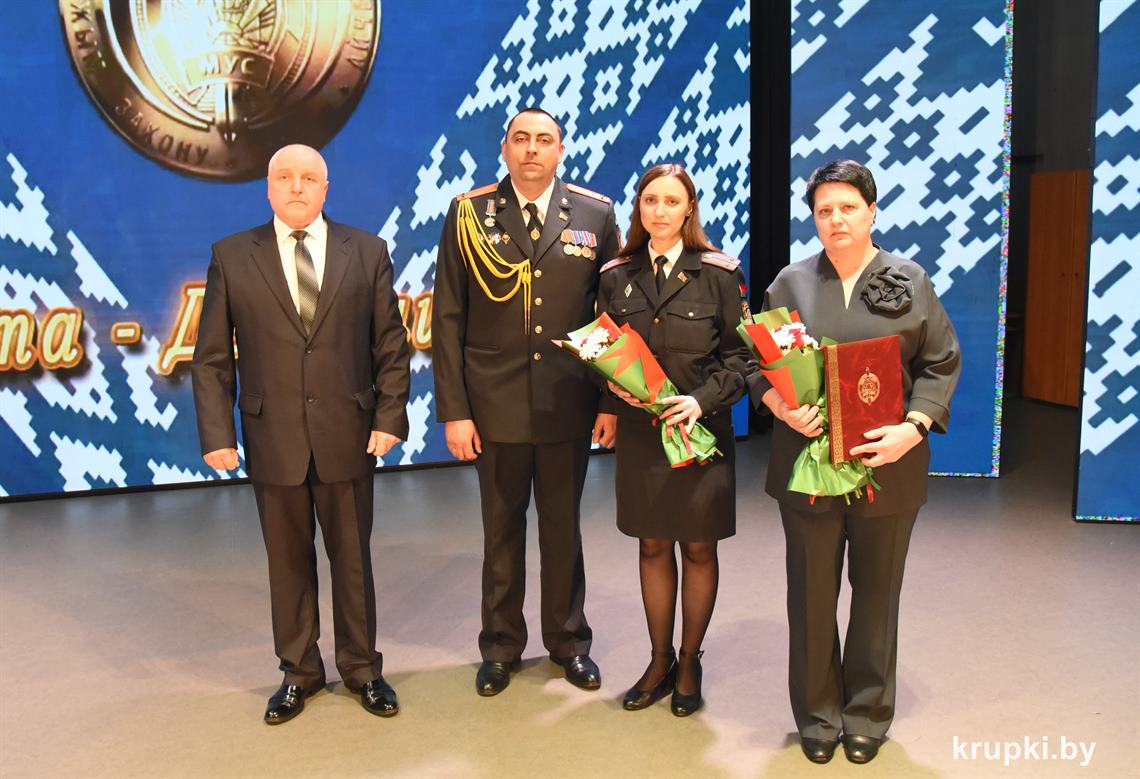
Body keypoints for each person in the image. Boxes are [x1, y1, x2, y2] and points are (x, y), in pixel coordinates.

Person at [191, 144, 411, 724]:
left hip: (349, 434)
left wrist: (390, 417)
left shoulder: (367, 251)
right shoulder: (232, 256)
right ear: (268, 188)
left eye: (308, 178)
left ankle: (362, 669)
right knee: (287, 564)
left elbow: (391, 346)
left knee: (352, 562)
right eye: (284, 177)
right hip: (273, 437)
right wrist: (217, 432)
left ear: (325, 188)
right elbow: (211, 358)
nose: (296, 187)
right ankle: (299, 672)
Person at [751, 160, 960, 764]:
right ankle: (817, 715)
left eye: (848, 207)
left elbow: (941, 362)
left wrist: (912, 429)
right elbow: (757, 364)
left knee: (877, 594)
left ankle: (867, 711)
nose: (836, 219)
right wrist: (780, 407)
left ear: (871, 211)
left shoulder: (910, 280)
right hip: (807, 465)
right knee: (810, 596)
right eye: (824, 210)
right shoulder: (789, 284)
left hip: (888, 465)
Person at [432, 107, 621, 696]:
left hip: (569, 402)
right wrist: (455, 411)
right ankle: (500, 647)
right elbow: (448, 317)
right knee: (501, 532)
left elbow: (610, 314)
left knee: (564, 530)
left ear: (560, 150)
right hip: (494, 406)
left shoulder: (595, 213)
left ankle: (569, 643)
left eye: (544, 140)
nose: (532, 149)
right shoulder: (469, 212)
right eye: (521, 139)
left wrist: (610, 402)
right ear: (505, 149)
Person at [597, 163, 752, 717]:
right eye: (650, 200)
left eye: (671, 201)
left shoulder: (720, 274)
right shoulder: (616, 275)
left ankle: (689, 661)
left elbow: (743, 359)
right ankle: (659, 660)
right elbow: (601, 350)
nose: (659, 211)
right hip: (644, 436)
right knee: (652, 545)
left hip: (701, 434)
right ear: (638, 208)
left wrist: (702, 401)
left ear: (689, 209)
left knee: (699, 547)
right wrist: (611, 393)